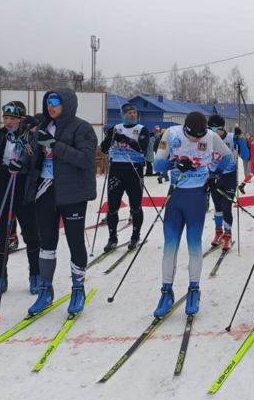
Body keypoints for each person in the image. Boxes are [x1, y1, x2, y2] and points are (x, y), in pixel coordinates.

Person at [151, 112, 232, 316]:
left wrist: (216, 174)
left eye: (201, 136)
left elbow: (228, 156)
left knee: (194, 246)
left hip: (196, 197)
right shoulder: (172, 133)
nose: (198, 140)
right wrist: (173, 163)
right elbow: (156, 164)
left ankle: (194, 289)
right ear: (186, 130)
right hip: (176, 196)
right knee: (170, 248)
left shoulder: (211, 137)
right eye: (194, 136)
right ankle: (166, 292)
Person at [27, 89, 99, 315]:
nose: (51, 106)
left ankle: (78, 288)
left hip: (72, 193)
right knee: (46, 242)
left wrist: (55, 145)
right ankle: (45, 291)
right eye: (48, 102)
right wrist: (23, 161)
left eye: (55, 102)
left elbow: (86, 160)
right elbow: (36, 158)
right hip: (45, 191)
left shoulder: (82, 127)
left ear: (66, 104)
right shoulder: (43, 127)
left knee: (75, 241)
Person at [0, 101, 41, 298]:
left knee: (30, 233)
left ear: (21, 119)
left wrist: (24, 165)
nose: (8, 122)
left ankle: (35, 274)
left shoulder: (30, 138)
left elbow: (36, 160)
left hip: (23, 188)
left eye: (13, 118)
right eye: (6, 118)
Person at [100, 104, 151, 252]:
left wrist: (127, 140)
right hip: (116, 169)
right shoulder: (116, 128)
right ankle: (112, 238)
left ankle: (135, 236)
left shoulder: (142, 129)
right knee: (112, 206)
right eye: (129, 113)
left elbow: (142, 148)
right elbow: (104, 149)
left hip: (134, 169)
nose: (132, 115)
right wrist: (110, 137)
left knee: (135, 206)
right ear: (123, 114)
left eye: (134, 112)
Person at [207, 115, 250, 252]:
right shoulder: (208, 137)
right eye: (210, 128)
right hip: (214, 176)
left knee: (227, 207)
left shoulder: (232, 137)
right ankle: (218, 232)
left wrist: (241, 139)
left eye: (214, 129)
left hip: (229, 176)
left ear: (221, 128)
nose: (212, 132)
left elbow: (246, 156)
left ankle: (227, 235)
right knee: (217, 207)